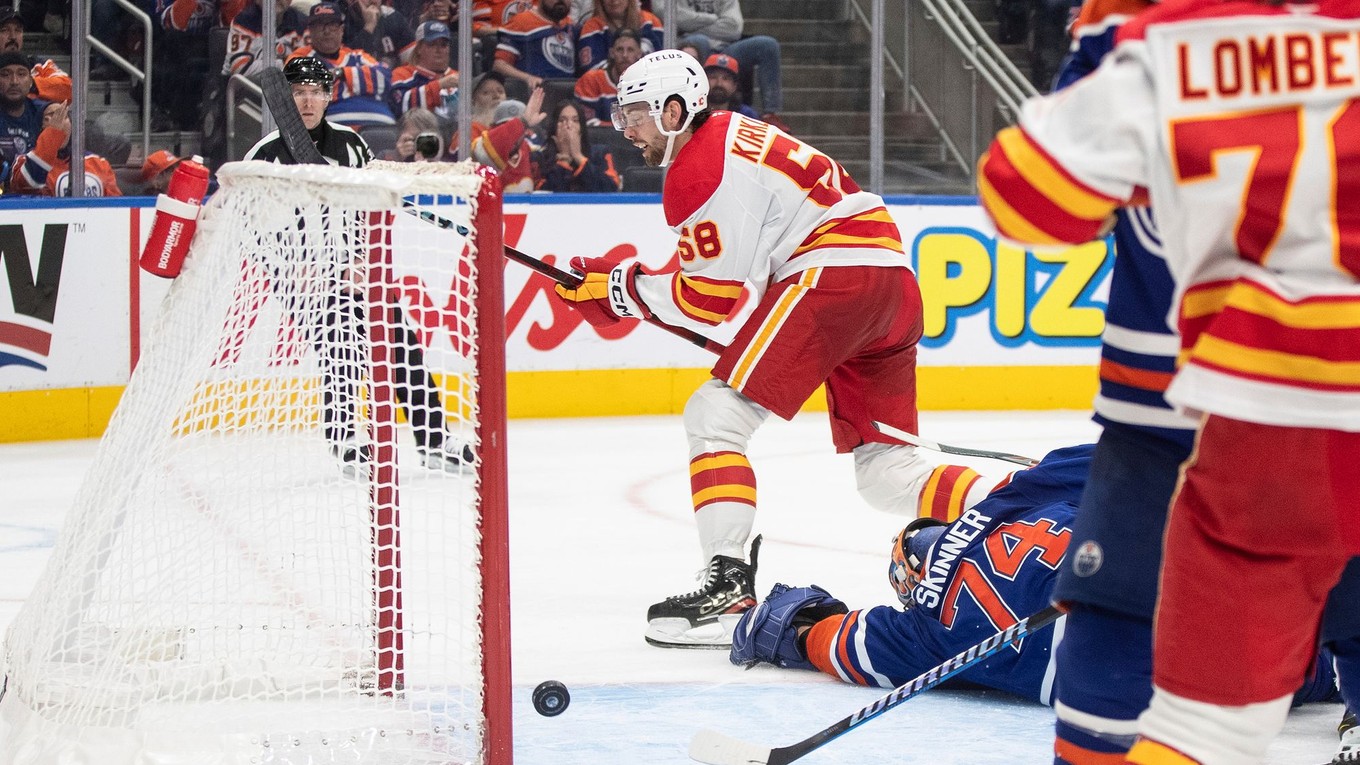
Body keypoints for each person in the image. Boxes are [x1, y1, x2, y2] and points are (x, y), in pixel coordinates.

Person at [975, 0, 1360, 761]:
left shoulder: (1164, 39)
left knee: (1174, 691)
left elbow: (1030, 201)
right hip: (1251, 402)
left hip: (1230, 399)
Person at [553, 50, 1000, 648]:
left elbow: (710, 299)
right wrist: (626, 285)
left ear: (674, 110)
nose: (623, 127)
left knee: (716, 416)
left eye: (634, 113)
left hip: (832, 279)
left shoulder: (698, 166)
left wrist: (618, 289)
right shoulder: (729, 141)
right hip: (888, 282)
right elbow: (722, 282)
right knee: (887, 470)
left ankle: (728, 586)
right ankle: (1023, 515)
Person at [730, 444, 1345, 713]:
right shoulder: (1024, 495)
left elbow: (834, 642)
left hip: (1182, 685)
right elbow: (1140, 458)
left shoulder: (925, 631)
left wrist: (780, 623)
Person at [245, 56, 473, 474]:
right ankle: (346, 437)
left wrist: (359, 259)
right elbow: (254, 227)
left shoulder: (351, 144)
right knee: (340, 344)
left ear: (329, 96)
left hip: (356, 269)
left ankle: (435, 440)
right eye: (298, 92)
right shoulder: (265, 156)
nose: (307, 100)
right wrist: (291, 270)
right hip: (304, 280)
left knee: (402, 342)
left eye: (315, 91)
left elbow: (370, 206)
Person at [0, 8, 131, 165]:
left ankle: (92, 178)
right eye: (5, 30)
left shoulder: (37, 64)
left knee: (117, 143)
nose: (13, 37)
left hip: (42, 127)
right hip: (10, 127)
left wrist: (30, 85)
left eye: (18, 30)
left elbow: (70, 89)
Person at [656, 0, 786, 128]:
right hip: (692, 44)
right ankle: (697, 108)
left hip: (727, 46)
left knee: (768, 45)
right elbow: (665, 13)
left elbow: (734, 27)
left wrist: (691, 25)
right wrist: (712, 19)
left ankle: (770, 114)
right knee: (699, 41)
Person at [286, 2, 396, 129]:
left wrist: (342, 74)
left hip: (382, 127)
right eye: (320, 25)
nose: (326, 31)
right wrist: (362, 84)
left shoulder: (357, 55)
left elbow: (386, 78)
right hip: (334, 129)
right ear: (310, 31)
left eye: (332, 25)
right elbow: (310, 93)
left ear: (341, 30)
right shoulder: (300, 57)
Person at [9, 101, 121, 196]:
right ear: (40, 126)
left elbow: (117, 207)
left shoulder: (97, 163)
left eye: (64, 116)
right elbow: (30, 183)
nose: (59, 122)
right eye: (52, 115)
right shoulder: (23, 162)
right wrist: (53, 134)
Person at [534, 97, 620, 191]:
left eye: (575, 120)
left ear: (581, 127)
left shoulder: (601, 153)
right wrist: (564, 160)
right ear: (554, 126)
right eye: (562, 120)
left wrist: (578, 156)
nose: (569, 125)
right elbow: (543, 194)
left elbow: (611, 188)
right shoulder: (540, 157)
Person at [470, 88, 545, 191]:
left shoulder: (533, 153)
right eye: (505, 126)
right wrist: (522, 122)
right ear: (493, 128)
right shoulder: (479, 147)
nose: (512, 135)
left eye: (517, 130)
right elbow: (484, 150)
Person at [493, 0, 577, 91]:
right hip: (533, 93)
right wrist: (528, 78)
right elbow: (500, 66)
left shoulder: (572, 26)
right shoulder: (521, 22)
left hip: (569, 93)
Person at [389, 20, 459, 118]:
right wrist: (439, 86)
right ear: (418, 49)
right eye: (432, 44)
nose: (438, 50)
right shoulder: (401, 74)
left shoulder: (458, 76)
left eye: (443, 45)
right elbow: (399, 106)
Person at [573, 26, 640, 125]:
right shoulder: (591, 80)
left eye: (630, 50)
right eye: (619, 49)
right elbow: (586, 124)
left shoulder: (648, 83)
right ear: (612, 53)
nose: (625, 55)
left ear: (639, 53)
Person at [223, 0, 307, 77]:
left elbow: (309, 66)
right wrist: (285, 64)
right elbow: (240, 69)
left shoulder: (303, 23)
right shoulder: (244, 21)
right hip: (244, 90)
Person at [575, 0, 661, 73]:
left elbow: (662, 63)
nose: (614, 1)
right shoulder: (591, 26)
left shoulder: (651, 22)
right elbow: (592, 71)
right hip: (606, 90)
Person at [341, 0, 413, 69]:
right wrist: (369, 26)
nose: (373, 1)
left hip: (391, 78)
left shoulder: (394, 18)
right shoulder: (343, 23)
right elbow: (344, 63)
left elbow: (412, 61)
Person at [703, 53, 757, 119]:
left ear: (734, 86)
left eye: (726, 79)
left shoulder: (746, 115)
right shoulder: (692, 112)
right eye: (713, 77)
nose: (719, 83)